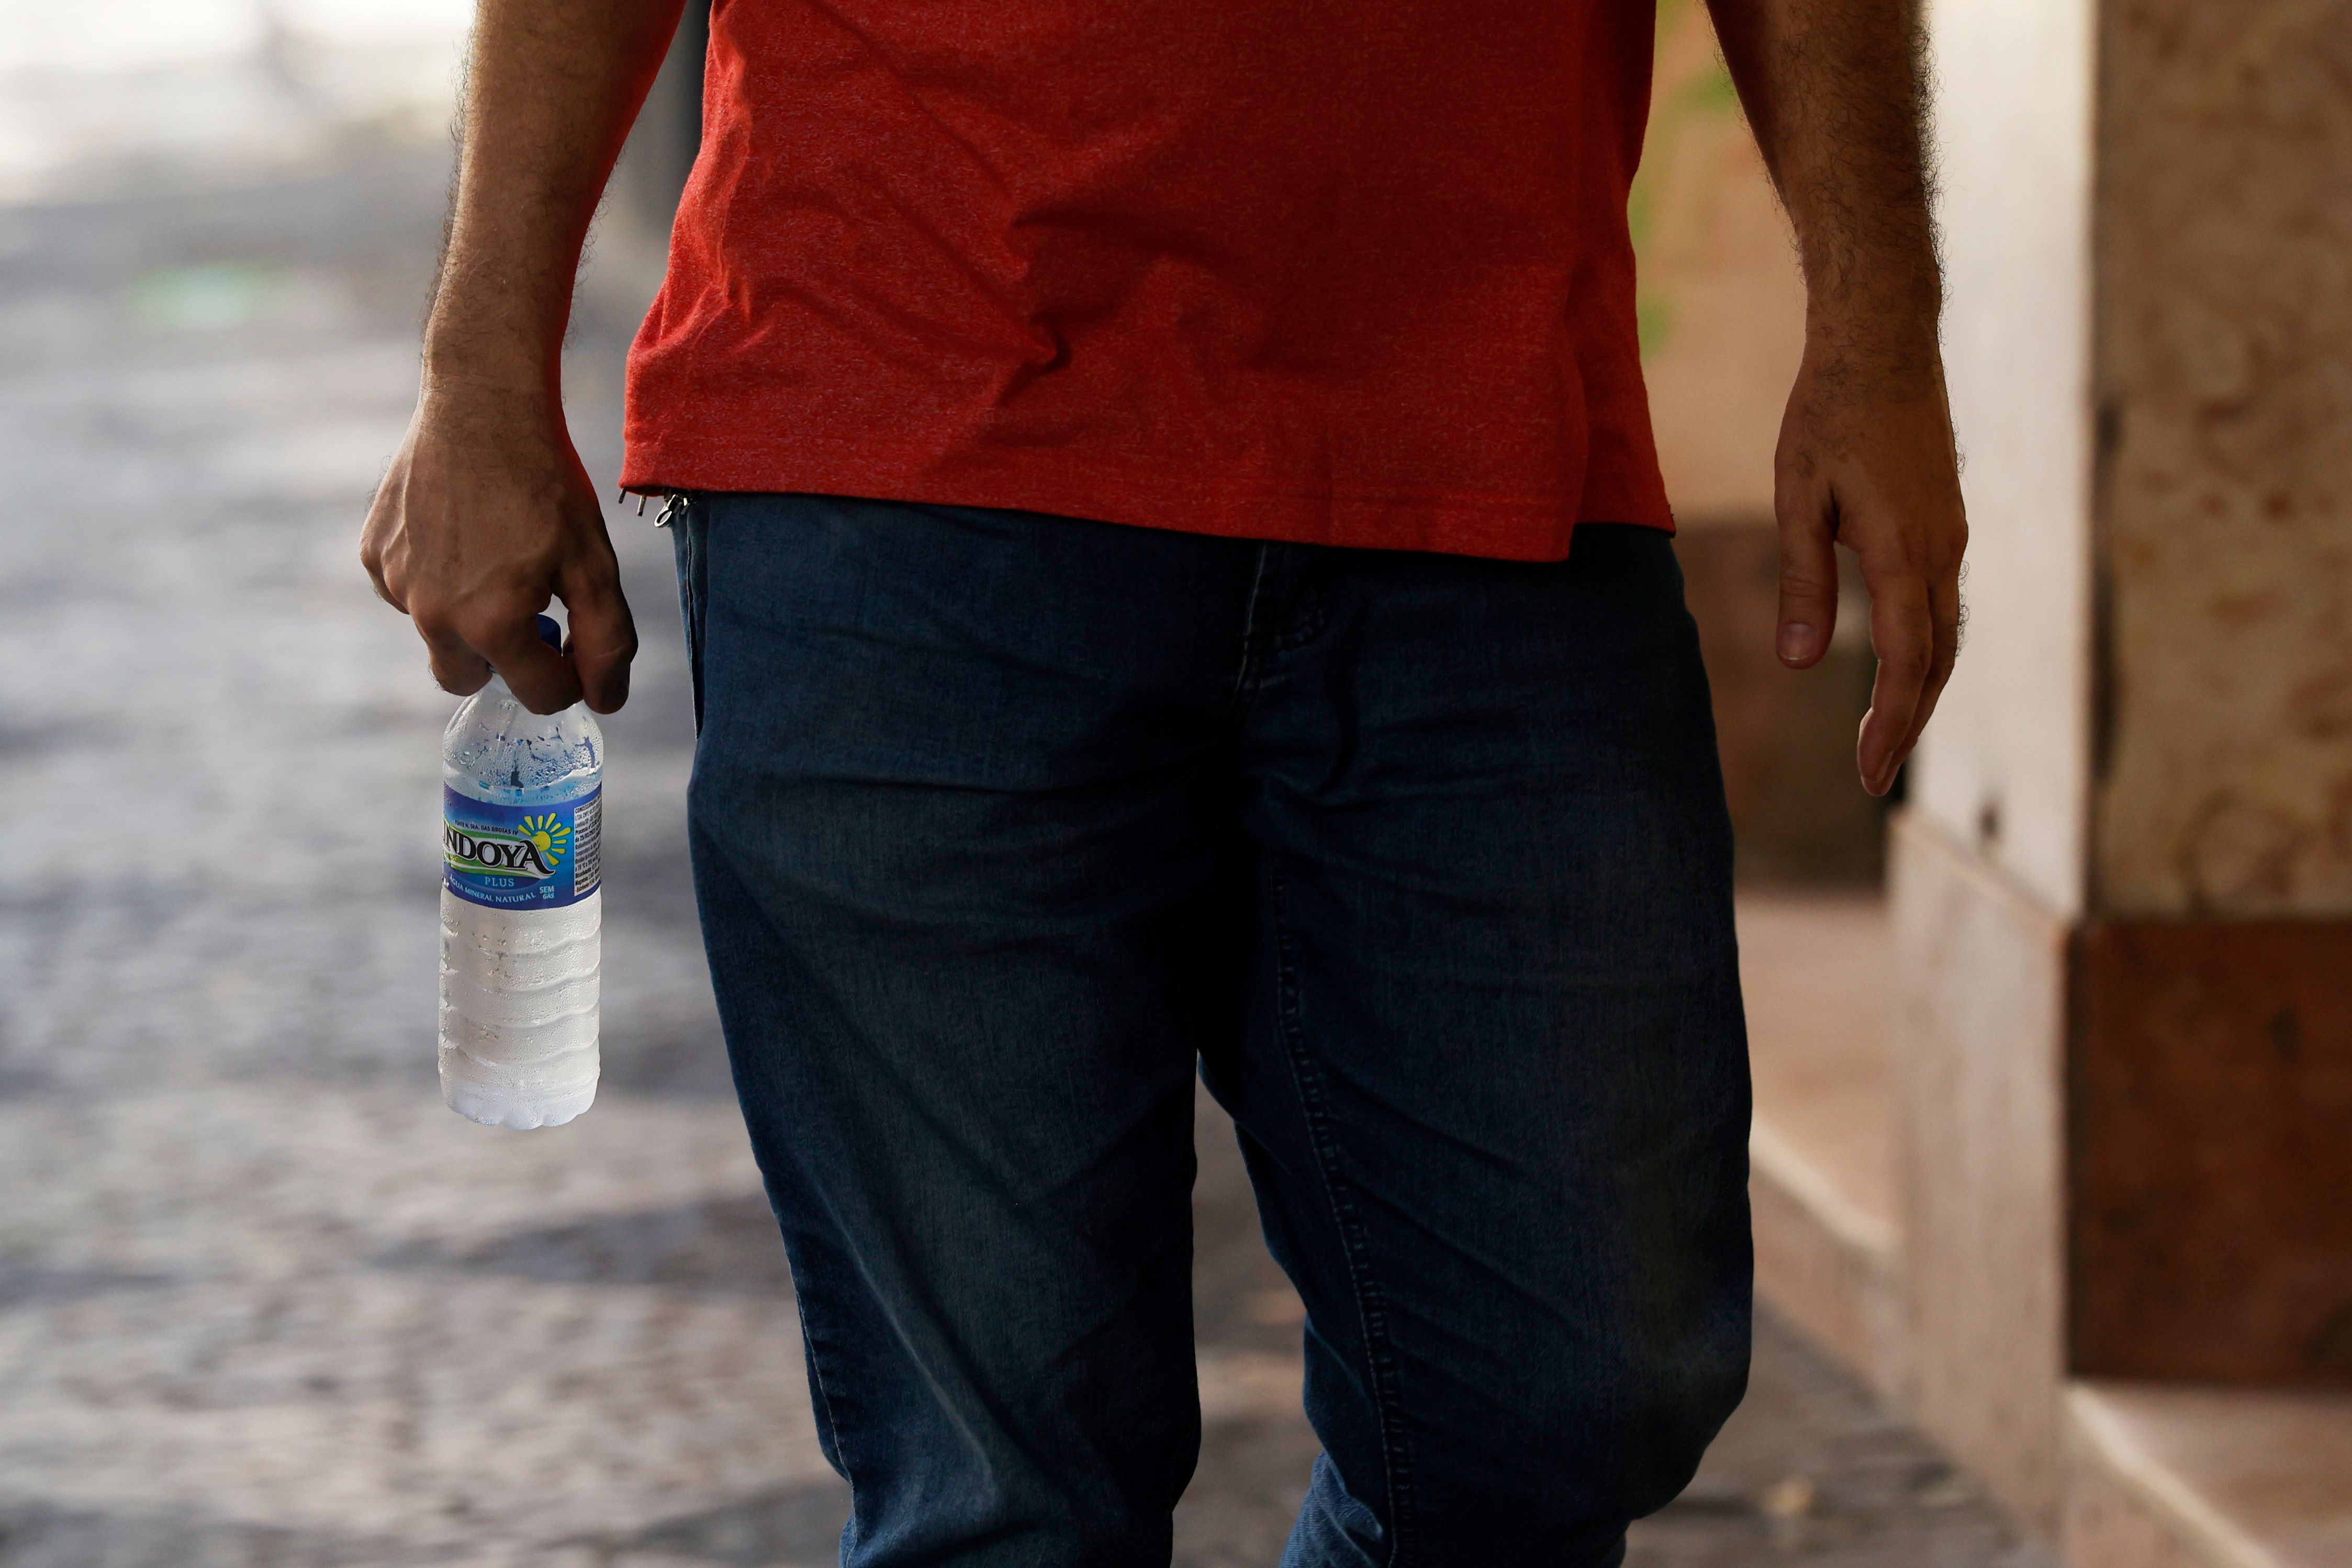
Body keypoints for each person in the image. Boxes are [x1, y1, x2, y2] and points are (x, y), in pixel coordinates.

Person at [361, 0, 1965, 1560]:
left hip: (1485, 450)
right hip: (904, 447)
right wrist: (481, 364)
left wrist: (1881, 322)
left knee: (1575, 1391)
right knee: (1006, 1491)